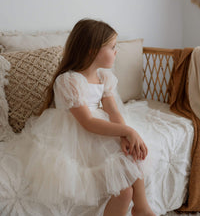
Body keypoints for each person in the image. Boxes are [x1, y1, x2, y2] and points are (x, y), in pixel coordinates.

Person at [3, 19, 156, 216]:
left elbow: (113, 111)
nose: (116, 51)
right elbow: (87, 122)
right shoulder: (68, 80)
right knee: (123, 190)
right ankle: (141, 208)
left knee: (133, 154)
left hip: (100, 127)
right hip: (76, 132)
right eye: (112, 47)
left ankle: (142, 207)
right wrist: (127, 130)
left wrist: (126, 135)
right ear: (92, 50)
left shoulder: (105, 77)